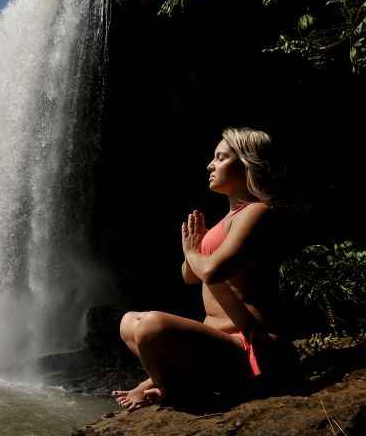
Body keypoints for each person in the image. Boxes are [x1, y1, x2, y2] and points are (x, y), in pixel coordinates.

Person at [112, 127, 288, 411]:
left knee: (152, 326)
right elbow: (189, 274)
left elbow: (212, 271)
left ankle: (174, 392)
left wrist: (194, 251)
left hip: (247, 348)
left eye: (221, 158)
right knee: (129, 322)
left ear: (247, 164)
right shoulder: (224, 221)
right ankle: (166, 384)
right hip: (213, 344)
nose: (210, 165)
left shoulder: (257, 211)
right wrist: (195, 251)